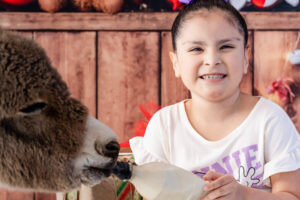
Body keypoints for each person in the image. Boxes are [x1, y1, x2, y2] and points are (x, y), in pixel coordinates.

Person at [129, 0, 300, 199]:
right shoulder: (164, 126)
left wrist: (242, 194)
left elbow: (292, 196)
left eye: (226, 46)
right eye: (196, 49)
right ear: (176, 63)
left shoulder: (270, 120)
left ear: (246, 58)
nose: (212, 60)